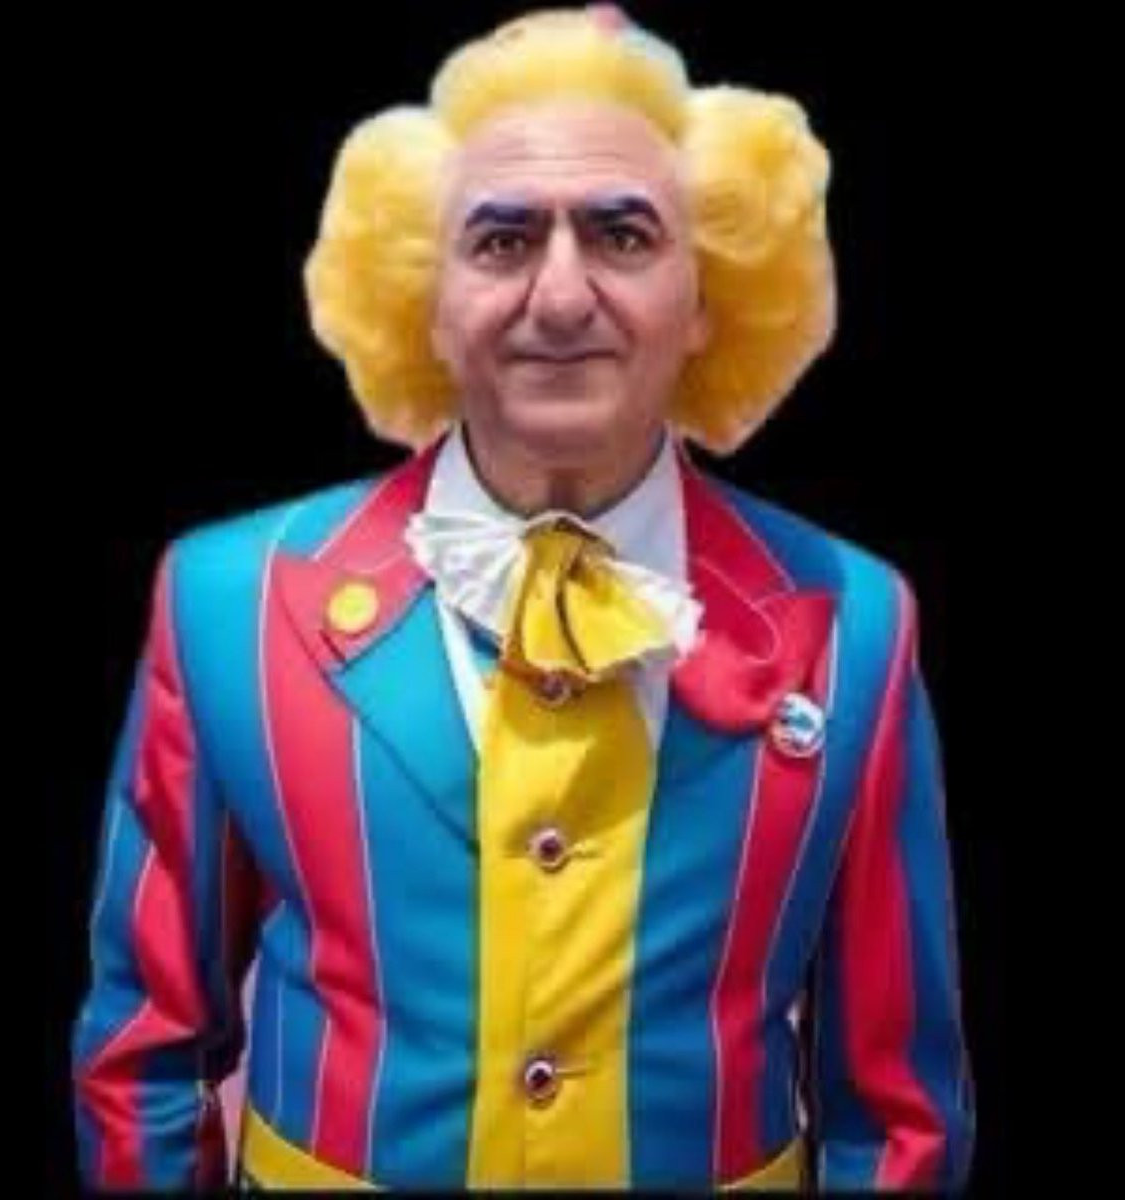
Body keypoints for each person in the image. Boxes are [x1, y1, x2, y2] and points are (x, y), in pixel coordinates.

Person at [70, 6, 976, 1191]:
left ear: (707, 296)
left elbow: (895, 1110)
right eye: (500, 241)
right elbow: (142, 1052)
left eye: (621, 235)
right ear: (422, 297)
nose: (558, 297)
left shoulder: (857, 623)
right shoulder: (223, 603)